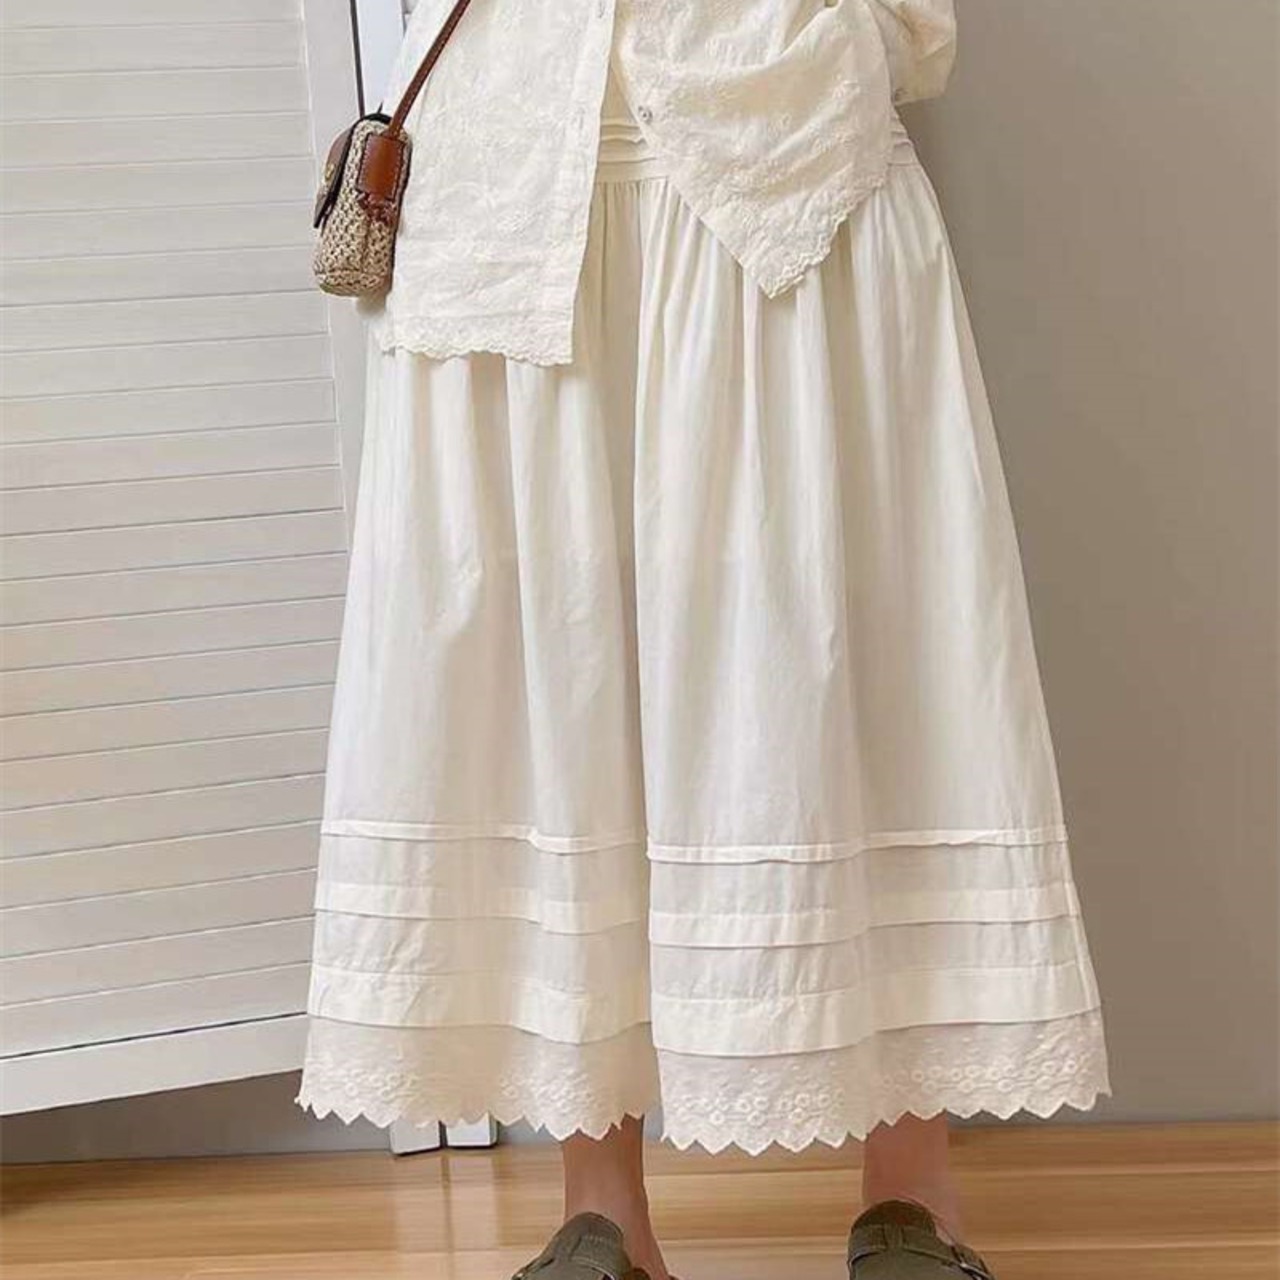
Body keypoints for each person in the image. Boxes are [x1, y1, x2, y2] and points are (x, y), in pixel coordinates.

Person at [296, 2, 1112, 1275]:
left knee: (859, 640)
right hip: (508, 176)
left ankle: (910, 1194)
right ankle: (601, 1210)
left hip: (781, 140)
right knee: (549, 662)